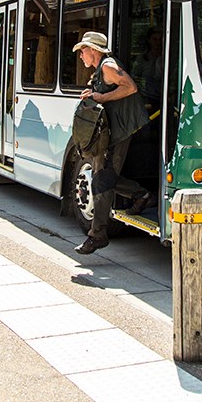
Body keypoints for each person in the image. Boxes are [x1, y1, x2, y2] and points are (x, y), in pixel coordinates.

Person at [70, 32, 154, 255]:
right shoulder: (100, 70)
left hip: (121, 131)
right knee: (103, 178)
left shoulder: (108, 65)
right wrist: (93, 93)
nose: (81, 56)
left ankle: (97, 235)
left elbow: (130, 87)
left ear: (94, 50)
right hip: (112, 132)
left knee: (102, 180)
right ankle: (141, 195)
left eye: (83, 51)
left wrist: (100, 98)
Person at [130, 27, 164, 110]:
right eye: (154, 39)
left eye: (160, 39)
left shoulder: (168, 58)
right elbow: (134, 77)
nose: (158, 42)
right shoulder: (142, 59)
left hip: (164, 98)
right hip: (146, 99)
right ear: (149, 40)